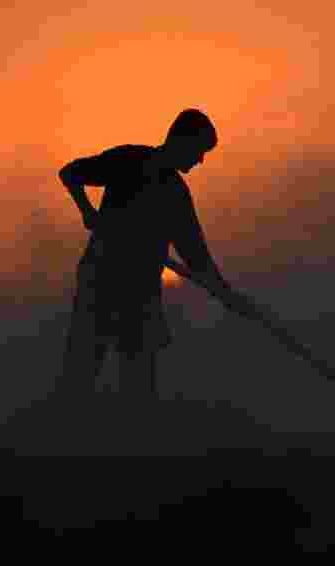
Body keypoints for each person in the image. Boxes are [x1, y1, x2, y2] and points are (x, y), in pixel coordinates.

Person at [56, 108, 245, 401]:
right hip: (102, 283)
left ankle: (136, 437)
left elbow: (196, 256)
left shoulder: (175, 193)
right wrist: (87, 211)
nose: (200, 160)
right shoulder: (130, 161)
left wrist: (226, 294)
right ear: (183, 140)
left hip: (140, 294)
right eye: (199, 151)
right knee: (83, 371)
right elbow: (70, 173)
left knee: (139, 383)